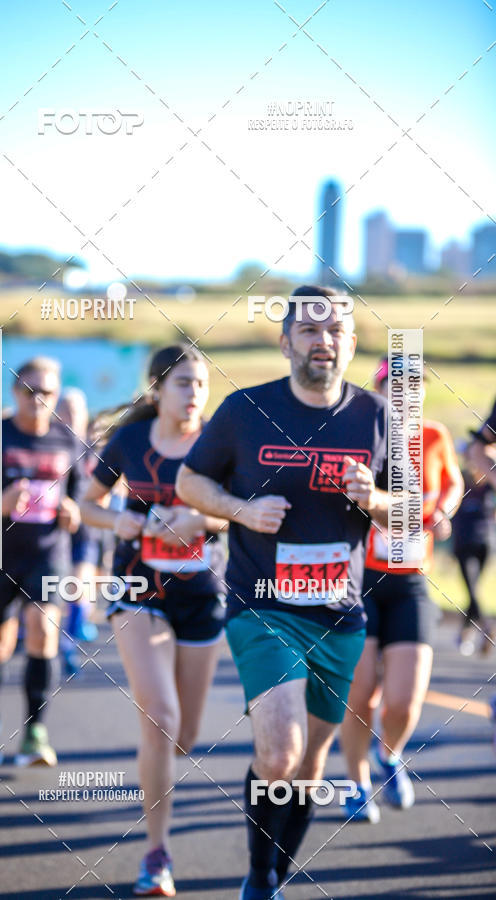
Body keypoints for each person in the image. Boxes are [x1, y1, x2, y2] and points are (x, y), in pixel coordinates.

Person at [176, 286, 392, 899]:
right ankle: (260, 873)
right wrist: (242, 510)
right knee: (279, 751)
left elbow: (407, 513)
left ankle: (277, 867)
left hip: (338, 614)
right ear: (286, 340)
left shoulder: (378, 418)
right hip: (261, 603)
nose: (323, 341)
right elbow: (190, 481)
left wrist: (372, 498)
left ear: (351, 343)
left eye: (336, 332)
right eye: (309, 330)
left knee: (310, 764)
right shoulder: (245, 410)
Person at [81, 344, 227, 897]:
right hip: (137, 588)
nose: (194, 394)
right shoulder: (131, 442)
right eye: (184, 383)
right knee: (161, 718)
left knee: (184, 737)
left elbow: (244, 517)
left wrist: (202, 517)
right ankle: (156, 855)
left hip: (200, 596)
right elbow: (87, 502)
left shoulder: (219, 442)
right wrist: (123, 523)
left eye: (201, 384)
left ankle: (154, 759)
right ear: (158, 390)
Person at [340, 359, 463, 823]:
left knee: (404, 700)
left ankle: (388, 755)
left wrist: (446, 509)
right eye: (397, 386)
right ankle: (355, 783)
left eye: (416, 387)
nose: (407, 395)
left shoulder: (434, 437)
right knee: (361, 693)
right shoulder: (359, 438)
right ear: (379, 390)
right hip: (359, 580)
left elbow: (451, 482)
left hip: (410, 579)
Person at [0, 357, 84, 767]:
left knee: (43, 632)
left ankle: (35, 732)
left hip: (47, 553)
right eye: (30, 391)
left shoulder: (67, 441)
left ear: (56, 395)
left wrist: (72, 512)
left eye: (47, 392)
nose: (38, 399)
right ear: (15, 393)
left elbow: (82, 499)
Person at [56, 389, 99, 676]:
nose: (72, 414)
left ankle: (68, 646)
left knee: (80, 586)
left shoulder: (94, 448)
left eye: (77, 408)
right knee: (56, 591)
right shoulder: (50, 445)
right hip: (55, 529)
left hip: (87, 528)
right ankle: (51, 640)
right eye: (66, 408)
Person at [452, 449, 494, 655]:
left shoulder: (488, 481)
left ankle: (480, 628)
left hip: (480, 542)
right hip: (467, 542)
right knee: (472, 589)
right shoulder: (460, 478)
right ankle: (472, 631)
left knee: (472, 589)